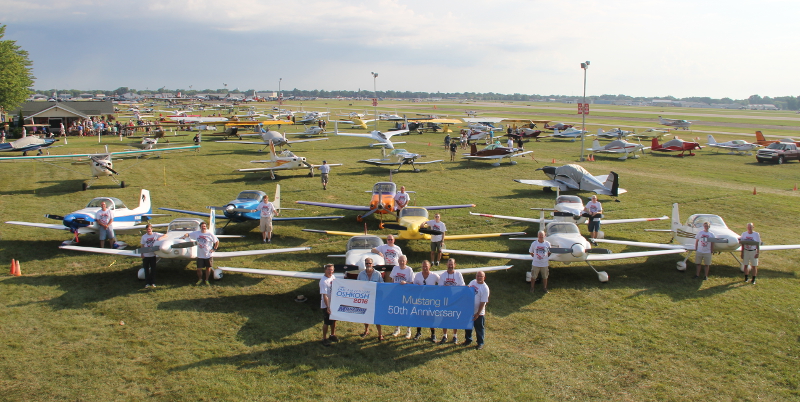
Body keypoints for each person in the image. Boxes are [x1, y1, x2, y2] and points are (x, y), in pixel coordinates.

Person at [438, 258, 465, 344]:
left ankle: (455, 336)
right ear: (447, 265)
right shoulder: (443, 275)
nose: (450, 266)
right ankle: (445, 335)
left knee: (454, 317)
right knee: (444, 317)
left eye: (452, 264)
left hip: (455, 300)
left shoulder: (458, 274)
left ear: (455, 265)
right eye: (449, 264)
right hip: (445, 300)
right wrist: (444, 287)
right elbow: (439, 287)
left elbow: (462, 286)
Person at [357, 258, 384, 340]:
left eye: (370, 263)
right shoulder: (361, 274)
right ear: (365, 264)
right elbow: (357, 285)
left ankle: (380, 334)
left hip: (375, 298)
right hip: (365, 298)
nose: (368, 265)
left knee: (377, 316)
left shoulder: (377, 274)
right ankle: (366, 330)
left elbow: (382, 285)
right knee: (365, 315)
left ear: (372, 264)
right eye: (367, 263)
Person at [412, 260, 439, 341]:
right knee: (419, 316)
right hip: (420, 300)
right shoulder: (417, 275)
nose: (424, 268)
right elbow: (413, 286)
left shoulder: (434, 276)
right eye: (423, 266)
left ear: (429, 266)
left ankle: (433, 334)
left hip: (431, 301)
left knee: (431, 317)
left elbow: (442, 284)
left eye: (426, 266)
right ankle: (418, 332)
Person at [389, 255, 414, 338]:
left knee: (407, 311)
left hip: (406, 294)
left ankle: (408, 330)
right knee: (397, 310)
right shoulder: (395, 268)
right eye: (400, 261)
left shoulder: (409, 270)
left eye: (403, 261)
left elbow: (412, 282)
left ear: (406, 261)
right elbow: (392, 280)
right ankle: (397, 328)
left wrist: (406, 283)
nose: (401, 262)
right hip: (397, 293)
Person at [463, 271, 489, 350]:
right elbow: (468, 290)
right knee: (468, 327)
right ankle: (468, 339)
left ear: (484, 278)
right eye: (478, 276)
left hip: (479, 313)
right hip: (469, 310)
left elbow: (483, 302)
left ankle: (480, 343)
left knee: (479, 328)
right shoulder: (473, 282)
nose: (479, 278)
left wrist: (478, 313)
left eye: (481, 276)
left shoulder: (485, 288)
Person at [140, 224, 167, 289]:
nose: (148, 230)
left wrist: (161, 238)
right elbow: (142, 245)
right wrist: (142, 254)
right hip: (146, 255)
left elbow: (166, 235)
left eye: (149, 229)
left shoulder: (156, 234)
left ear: (152, 229)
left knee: (153, 269)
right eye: (147, 229)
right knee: (146, 269)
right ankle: (147, 283)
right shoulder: (144, 237)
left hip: (153, 255)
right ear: (146, 230)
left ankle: (153, 282)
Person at [320, 264, 338, 346]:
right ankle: (324, 338)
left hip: (333, 303)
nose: (330, 271)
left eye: (331, 270)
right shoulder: (323, 281)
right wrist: (328, 307)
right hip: (327, 305)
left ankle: (332, 334)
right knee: (326, 322)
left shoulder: (333, 277)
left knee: (334, 320)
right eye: (328, 270)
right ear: (325, 270)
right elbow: (325, 295)